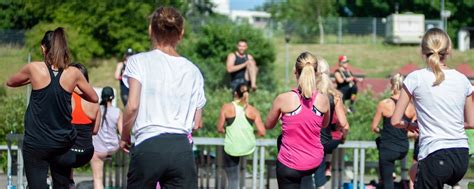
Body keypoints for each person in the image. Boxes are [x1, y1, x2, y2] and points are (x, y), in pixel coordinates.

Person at [119, 7, 206, 189]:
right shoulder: (193, 71)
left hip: (149, 145)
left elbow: (132, 105)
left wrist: (125, 135)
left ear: (150, 30)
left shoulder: (138, 61)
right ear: (181, 33)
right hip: (182, 150)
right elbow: (197, 122)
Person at [6, 28, 98, 189]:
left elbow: (11, 82)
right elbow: (94, 98)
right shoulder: (73, 73)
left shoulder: (34, 69)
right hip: (62, 143)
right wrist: (72, 88)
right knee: (61, 185)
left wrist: (32, 81)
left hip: (36, 142)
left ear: (43, 48)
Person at [391, 28, 474, 189]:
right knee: (415, 171)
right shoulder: (463, 80)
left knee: (419, 171)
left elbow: (395, 120)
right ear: (449, 50)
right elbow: (471, 122)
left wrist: (410, 125)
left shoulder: (415, 78)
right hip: (461, 155)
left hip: (435, 152)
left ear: (423, 51)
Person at [265, 52, 329, 189]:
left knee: (281, 140)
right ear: (316, 72)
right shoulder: (323, 100)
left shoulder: (283, 99)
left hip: (289, 165)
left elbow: (268, 125)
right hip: (313, 161)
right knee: (305, 174)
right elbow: (324, 124)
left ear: (295, 72)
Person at [216, 83, 266, 189]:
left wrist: (225, 130)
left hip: (232, 148)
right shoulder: (253, 110)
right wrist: (251, 134)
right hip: (249, 148)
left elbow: (219, 128)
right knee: (244, 168)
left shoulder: (227, 107)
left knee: (233, 180)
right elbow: (262, 132)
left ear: (235, 93)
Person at [370, 73, 415, 189]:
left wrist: (383, 131)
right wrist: (403, 132)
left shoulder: (384, 104)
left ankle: (388, 174)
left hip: (388, 148)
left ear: (392, 85)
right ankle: (393, 171)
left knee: (387, 182)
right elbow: (414, 131)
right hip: (403, 148)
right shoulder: (411, 107)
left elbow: (374, 127)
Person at [59, 63, 101, 186]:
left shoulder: (65, 98)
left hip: (68, 152)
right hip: (86, 152)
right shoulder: (94, 101)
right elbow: (95, 131)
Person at [311, 57, 349, 189]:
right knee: (322, 156)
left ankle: (324, 169)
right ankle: (326, 167)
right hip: (326, 139)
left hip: (308, 139)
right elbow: (344, 124)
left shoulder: (307, 93)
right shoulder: (335, 95)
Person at [91, 86, 122, 189]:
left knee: (97, 178)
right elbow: (122, 132)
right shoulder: (117, 112)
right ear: (112, 98)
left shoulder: (96, 109)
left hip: (99, 150)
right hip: (114, 148)